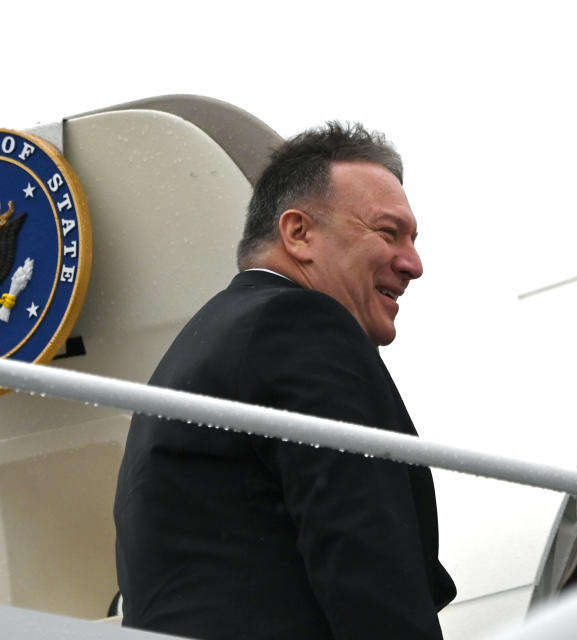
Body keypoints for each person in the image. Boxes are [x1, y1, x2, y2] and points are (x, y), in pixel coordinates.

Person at [114, 122, 456, 639]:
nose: (413, 264)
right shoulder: (301, 325)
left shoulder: (198, 352)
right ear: (298, 234)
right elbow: (364, 554)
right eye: (388, 233)